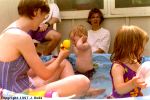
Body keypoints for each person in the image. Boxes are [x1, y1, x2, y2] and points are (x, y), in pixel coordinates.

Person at [0, 0, 90, 97]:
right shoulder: (22, 37)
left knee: (63, 63)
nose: (42, 21)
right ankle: (70, 93)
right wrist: (60, 56)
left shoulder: (8, 32)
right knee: (83, 81)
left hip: (19, 85)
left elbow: (18, 71)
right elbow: (45, 74)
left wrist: (49, 62)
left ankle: (69, 93)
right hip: (19, 94)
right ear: (36, 12)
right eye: (44, 17)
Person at [109, 25, 149, 98]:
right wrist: (132, 84)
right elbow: (119, 89)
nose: (143, 49)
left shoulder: (135, 62)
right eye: (141, 46)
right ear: (131, 46)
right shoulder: (118, 67)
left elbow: (142, 78)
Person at [69, 25, 105, 96]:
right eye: (72, 40)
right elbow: (77, 54)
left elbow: (79, 46)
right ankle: (80, 91)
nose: (73, 42)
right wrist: (73, 47)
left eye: (74, 40)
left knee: (87, 83)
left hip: (88, 71)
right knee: (77, 82)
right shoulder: (80, 47)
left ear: (82, 38)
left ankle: (91, 90)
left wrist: (80, 40)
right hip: (79, 71)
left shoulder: (86, 45)